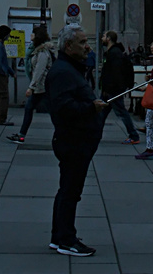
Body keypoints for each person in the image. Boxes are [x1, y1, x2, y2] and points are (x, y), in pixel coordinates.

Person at [45, 25, 107, 257]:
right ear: (68, 46)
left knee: (68, 190)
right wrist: (91, 107)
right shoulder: (63, 71)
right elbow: (63, 108)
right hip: (73, 140)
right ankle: (66, 239)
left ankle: (58, 235)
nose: (87, 46)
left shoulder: (69, 68)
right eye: (82, 42)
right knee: (70, 191)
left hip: (77, 140)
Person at [8, 27, 55, 143]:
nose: (30, 36)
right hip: (41, 87)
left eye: (32, 34)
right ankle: (21, 135)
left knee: (53, 112)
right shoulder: (38, 50)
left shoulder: (43, 52)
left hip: (43, 87)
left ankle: (22, 135)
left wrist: (31, 87)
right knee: (31, 108)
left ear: (37, 36)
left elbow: (39, 71)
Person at [100, 31, 140, 144]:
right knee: (101, 113)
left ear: (109, 38)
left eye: (103, 36)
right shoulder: (112, 52)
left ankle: (134, 135)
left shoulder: (115, 53)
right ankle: (95, 134)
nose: (102, 38)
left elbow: (115, 73)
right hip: (109, 89)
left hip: (112, 90)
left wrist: (110, 88)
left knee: (121, 112)